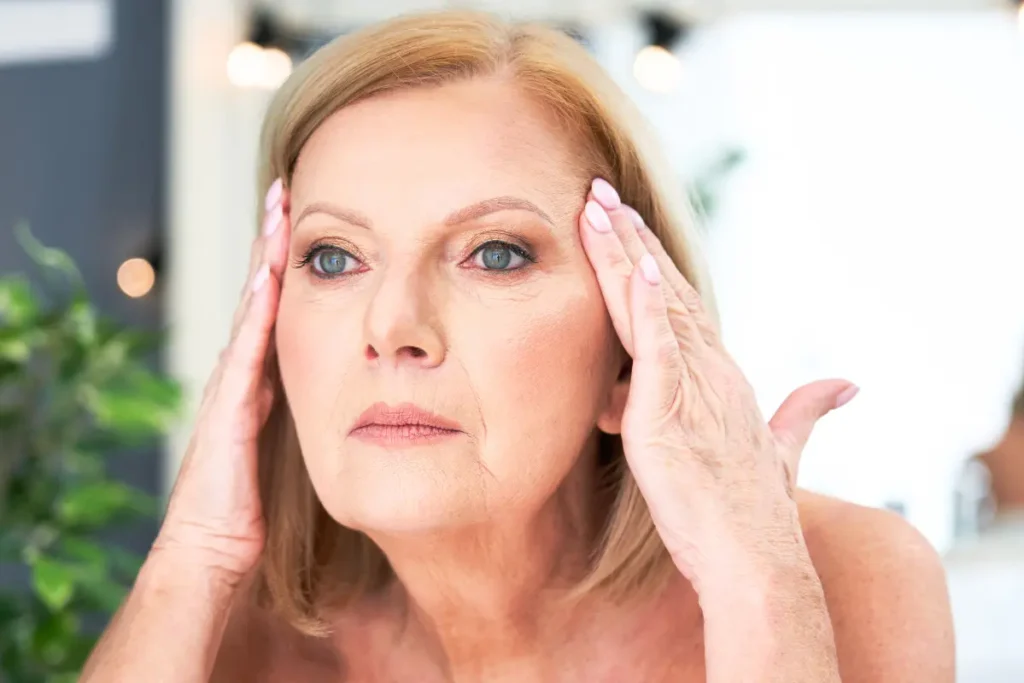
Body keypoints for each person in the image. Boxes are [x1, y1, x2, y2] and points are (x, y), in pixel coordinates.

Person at [81, 11, 954, 682]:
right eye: (334, 257)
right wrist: (190, 552)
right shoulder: (235, 635)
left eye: (494, 253)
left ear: (629, 354)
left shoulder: (841, 579)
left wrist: (757, 589)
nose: (391, 328)